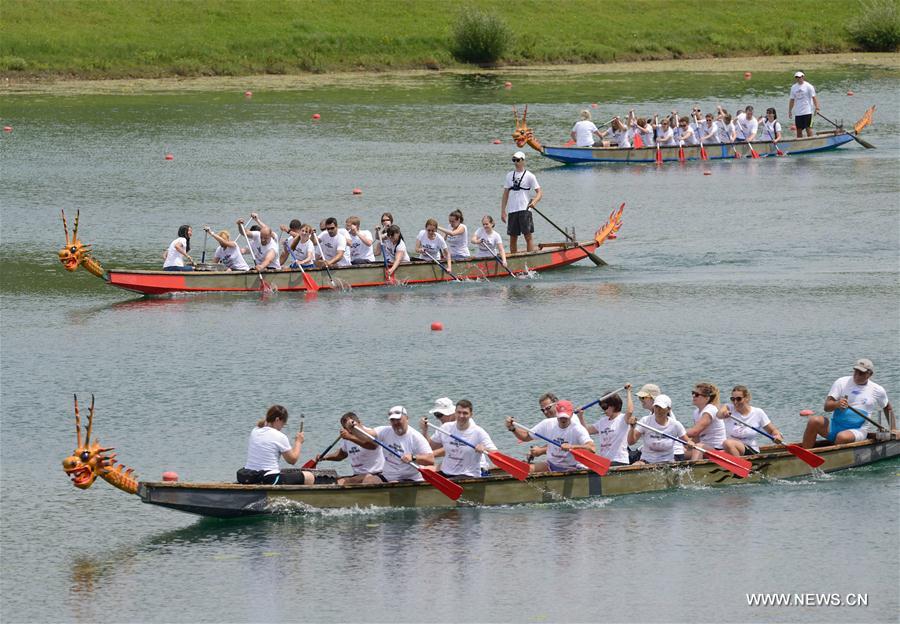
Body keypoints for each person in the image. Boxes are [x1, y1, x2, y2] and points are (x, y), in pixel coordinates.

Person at [802, 358, 894, 448]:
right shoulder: (841, 382)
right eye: (855, 371)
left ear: (869, 374)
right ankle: (805, 455)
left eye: (861, 373)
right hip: (835, 426)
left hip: (857, 430)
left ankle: (835, 458)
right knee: (813, 421)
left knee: (842, 437)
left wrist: (893, 429)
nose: (857, 375)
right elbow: (826, 407)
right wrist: (837, 404)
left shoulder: (877, 390)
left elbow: (887, 407)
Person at [237, 405, 335, 485]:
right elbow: (292, 460)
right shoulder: (279, 436)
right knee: (309, 476)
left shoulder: (255, 431)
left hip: (249, 476)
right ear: (277, 420)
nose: (282, 427)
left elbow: (264, 423)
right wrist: (298, 442)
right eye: (283, 423)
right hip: (268, 478)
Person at [505, 399, 595, 473]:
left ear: (571, 414)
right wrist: (513, 428)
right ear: (557, 414)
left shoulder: (577, 429)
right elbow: (525, 436)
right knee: (527, 469)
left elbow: (592, 448)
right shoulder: (547, 424)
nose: (563, 419)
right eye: (560, 416)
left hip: (573, 467)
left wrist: (571, 447)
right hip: (551, 465)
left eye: (566, 417)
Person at [351, 406, 434, 482]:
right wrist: (354, 427)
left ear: (407, 418)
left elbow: (430, 460)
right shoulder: (385, 431)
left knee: (393, 484)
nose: (395, 423)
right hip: (388, 476)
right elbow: (366, 435)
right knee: (368, 481)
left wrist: (413, 457)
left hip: (410, 477)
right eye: (392, 420)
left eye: (398, 419)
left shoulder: (416, 437)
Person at [424, 399, 499, 478]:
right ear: (455, 412)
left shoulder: (478, 432)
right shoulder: (445, 428)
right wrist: (425, 431)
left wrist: (485, 448)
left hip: (468, 474)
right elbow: (429, 448)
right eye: (459, 412)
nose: (461, 416)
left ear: (471, 415)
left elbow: (496, 453)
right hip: (447, 472)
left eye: (465, 413)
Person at [316, 412, 386, 485]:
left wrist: (350, 437)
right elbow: (341, 455)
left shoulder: (369, 433)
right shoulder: (347, 437)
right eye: (345, 427)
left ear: (359, 422)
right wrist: (324, 457)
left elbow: (372, 446)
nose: (348, 430)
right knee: (335, 482)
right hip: (357, 475)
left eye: (350, 427)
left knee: (357, 481)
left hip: (375, 475)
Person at [717, 385, 783, 457]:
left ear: (747, 398)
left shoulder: (758, 412)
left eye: (739, 399)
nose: (735, 402)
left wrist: (777, 436)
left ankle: (739, 465)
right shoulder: (728, 407)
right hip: (731, 448)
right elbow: (719, 415)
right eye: (733, 399)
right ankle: (737, 462)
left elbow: (772, 430)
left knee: (728, 443)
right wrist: (724, 413)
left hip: (750, 449)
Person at [577, 385, 633, 466]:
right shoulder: (602, 422)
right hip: (605, 462)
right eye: (602, 407)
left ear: (613, 405)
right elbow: (585, 431)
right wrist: (580, 416)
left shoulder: (622, 419)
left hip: (619, 460)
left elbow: (630, 411)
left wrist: (628, 391)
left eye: (605, 407)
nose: (604, 410)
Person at [627, 395, 690, 464]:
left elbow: (687, 442)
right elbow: (631, 442)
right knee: (635, 465)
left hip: (668, 461)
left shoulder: (675, 425)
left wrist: (690, 444)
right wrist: (632, 428)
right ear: (653, 407)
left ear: (669, 409)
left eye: (661, 408)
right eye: (656, 407)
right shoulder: (645, 421)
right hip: (646, 461)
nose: (658, 410)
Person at [501, 151, 542, 254]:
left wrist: (535, 201)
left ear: (523, 161)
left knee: (527, 236)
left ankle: (530, 258)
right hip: (512, 210)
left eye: (518, 160)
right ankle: (514, 259)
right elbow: (505, 194)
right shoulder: (509, 175)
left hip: (525, 209)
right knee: (513, 237)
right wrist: (503, 211)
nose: (516, 162)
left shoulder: (530, 176)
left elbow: (540, 192)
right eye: (514, 160)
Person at [634, 383, 684, 461]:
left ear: (653, 399)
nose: (640, 400)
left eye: (643, 397)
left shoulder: (665, 415)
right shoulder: (652, 415)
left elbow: (659, 439)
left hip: (674, 454)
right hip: (658, 451)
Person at [685, 382, 726, 460]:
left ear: (707, 398)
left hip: (717, 449)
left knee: (698, 447)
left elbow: (694, 432)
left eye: (697, 394)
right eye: (693, 393)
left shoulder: (710, 409)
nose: (693, 396)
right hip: (704, 447)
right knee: (679, 449)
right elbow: (696, 437)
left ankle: (694, 471)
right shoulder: (696, 412)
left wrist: (676, 432)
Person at [788, 71, 820, 138]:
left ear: (803, 77)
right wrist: (790, 111)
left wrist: (817, 108)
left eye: (799, 77)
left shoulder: (809, 86)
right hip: (798, 113)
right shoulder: (793, 87)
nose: (798, 78)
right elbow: (792, 100)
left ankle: (812, 143)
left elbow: (814, 98)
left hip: (807, 112)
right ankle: (800, 145)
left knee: (808, 129)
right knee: (799, 131)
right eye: (796, 77)